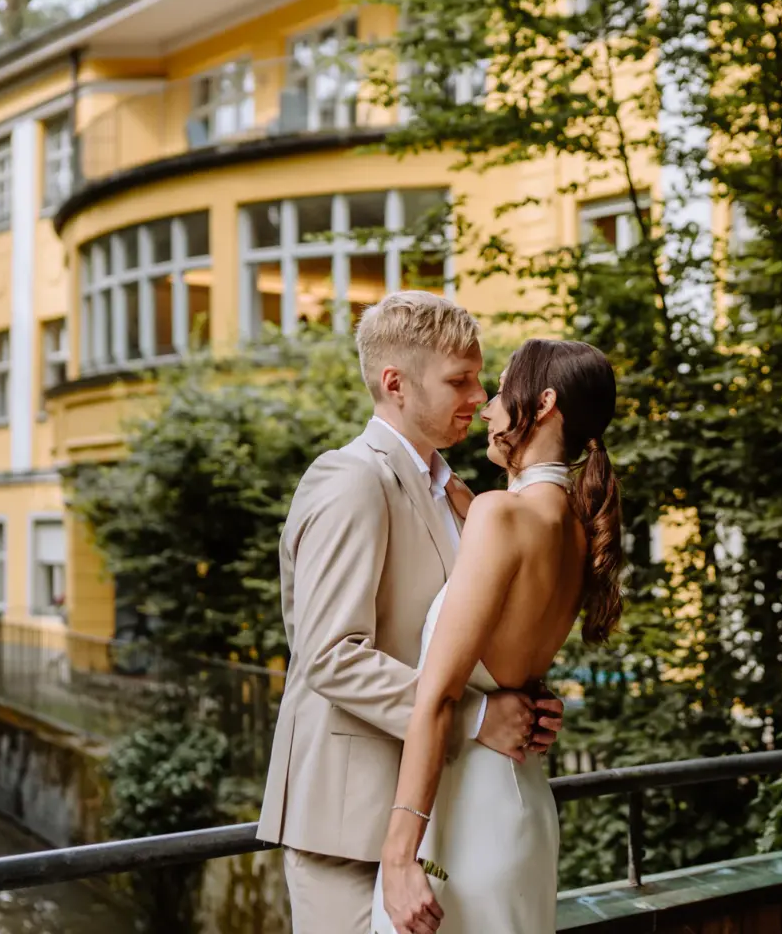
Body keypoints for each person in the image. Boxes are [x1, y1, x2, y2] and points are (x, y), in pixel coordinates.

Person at [257, 292, 566, 934]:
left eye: (481, 378)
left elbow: (457, 642)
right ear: (395, 384)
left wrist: (522, 700)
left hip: (438, 814)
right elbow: (332, 657)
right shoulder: (349, 480)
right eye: (460, 380)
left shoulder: (461, 497)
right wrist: (478, 717)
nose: (481, 398)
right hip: (349, 823)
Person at [373, 337, 623, 934]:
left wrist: (400, 855)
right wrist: (460, 495)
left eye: (502, 392)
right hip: (522, 809)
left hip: (461, 823)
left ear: (542, 404)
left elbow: (436, 697)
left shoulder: (501, 516)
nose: (486, 407)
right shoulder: (575, 532)